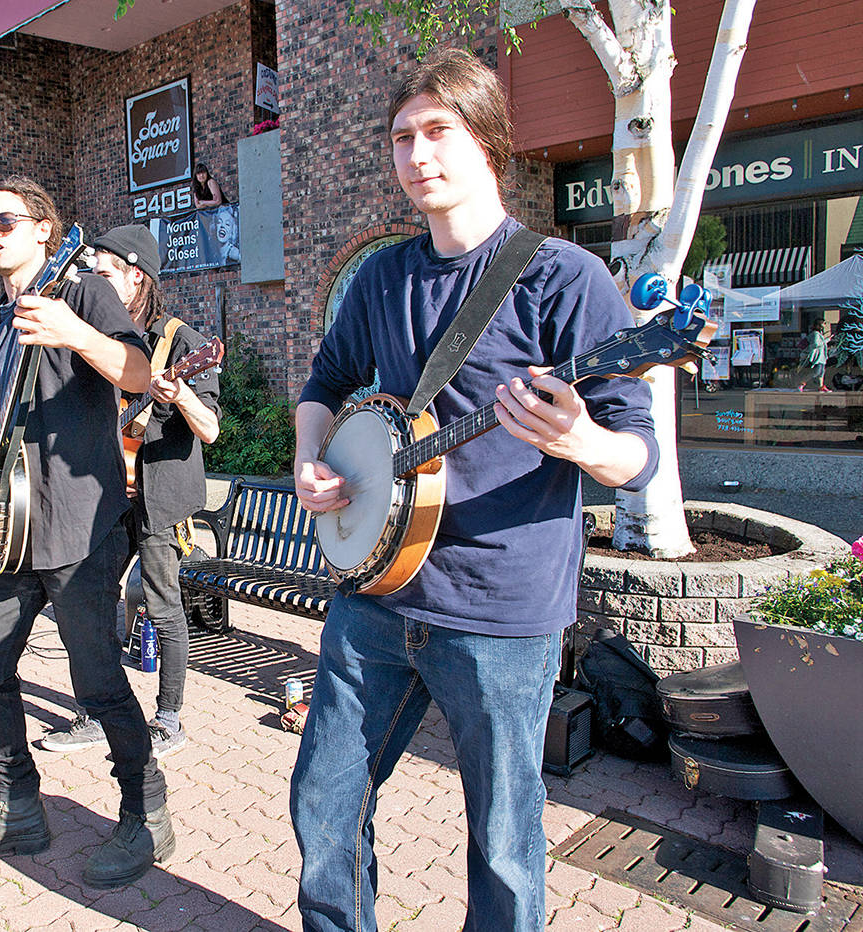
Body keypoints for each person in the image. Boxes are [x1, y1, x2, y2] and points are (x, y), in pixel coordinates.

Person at [289, 49, 659, 932]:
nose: (417, 154)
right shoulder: (382, 277)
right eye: (401, 137)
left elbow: (636, 456)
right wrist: (309, 460)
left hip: (501, 608)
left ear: (487, 140)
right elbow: (325, 381)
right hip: (377, 591)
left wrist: (581, 440)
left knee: (503, 838)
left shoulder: (563, 277)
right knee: (325, 802)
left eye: (438, 131)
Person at [0, 176, 174, 888]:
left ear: (45, 228)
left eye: (5, 221)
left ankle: (146, 812)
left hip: (79, 524)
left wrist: (74, 332)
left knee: (96, 679)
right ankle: (19, 807)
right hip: (9, 530)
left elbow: (138, 373)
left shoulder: (84, 293)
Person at [40, 225, 219, 759]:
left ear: (135, 276)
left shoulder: (182, 342)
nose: (94, 282)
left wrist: (180, 392)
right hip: (104, 493)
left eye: (105, 273)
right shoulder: (99, 339)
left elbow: (210, 429)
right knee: (89, 600)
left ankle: (168, 718)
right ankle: (98, 711)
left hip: (160, 499)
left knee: (163, 605)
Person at [798, 319, 832, 392]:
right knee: (816, 372)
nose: (825, 325)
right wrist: (826, 340)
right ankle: (802, 383)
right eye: (824, 323)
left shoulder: (819, 334)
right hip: (818, 357)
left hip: (822, 357)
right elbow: (816, 344)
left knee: (821, 372)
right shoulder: (815, 334)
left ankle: (821, 386)